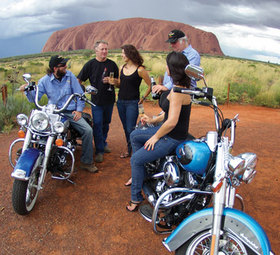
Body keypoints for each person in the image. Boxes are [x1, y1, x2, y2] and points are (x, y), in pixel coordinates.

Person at [126, 51, 192, 211]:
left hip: (171, 137)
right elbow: (168, 114)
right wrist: (152, 120)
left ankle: (135, 198)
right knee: (135, 135)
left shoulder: (177, 93)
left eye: (167, 65)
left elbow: (171, 122)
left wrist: (155, 137)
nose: (165, 67)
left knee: (135, 160)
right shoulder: (181, 88)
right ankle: (141, 175)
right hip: (171, 133)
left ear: (172, 69)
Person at [20, 55, 98, 173]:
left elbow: (80, 94)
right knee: (37, 129)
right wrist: (28, 90)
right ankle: (37, 156)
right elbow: (34, 98)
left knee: (88, 130)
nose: (66, 67)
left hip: (70, 111)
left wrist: (79, 110)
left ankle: (87, 162)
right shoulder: (44, 81)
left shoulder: (70, 76)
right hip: (53, 112)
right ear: (55, 68)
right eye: (63, 65)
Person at [77, 40, 119, 163]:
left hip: (109, 100)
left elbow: (118, 82)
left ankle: (103, 142)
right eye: (102, 49)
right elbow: (79, 80)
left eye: (106, 49)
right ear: (96, 50)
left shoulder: (112, 64)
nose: (105, 51)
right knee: (98, 124)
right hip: (96, 101)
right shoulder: (90, 64)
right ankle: (99, 150)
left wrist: (113, 82)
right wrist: (82, 92)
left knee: (106, 123)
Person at [114, 44, 151, 159]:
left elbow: (150, 85)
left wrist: (143, 98)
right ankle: (130, 148)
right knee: (126, 127)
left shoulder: (140, 70)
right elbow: (120, 84)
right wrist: (114, 82)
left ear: (130, 54)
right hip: (120, 102)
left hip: (132, 103)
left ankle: (135, 150)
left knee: (130, 128)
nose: (122, 55)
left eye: (124, 53)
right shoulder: (122, 68)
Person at [153, 29, 200, 95]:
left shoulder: (193, 55)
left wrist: (166, 87)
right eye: (170, 43)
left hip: (181, 92)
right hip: (170, 91)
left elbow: (184, 76)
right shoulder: (176, 54)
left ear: (183, 41)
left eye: (174, 42)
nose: (171, 45)